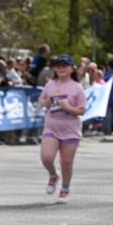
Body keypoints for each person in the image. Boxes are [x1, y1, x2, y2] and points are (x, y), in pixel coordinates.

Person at [39, 55, 87, 202]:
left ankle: (65, 188)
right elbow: (42, 98)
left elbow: (82, 110)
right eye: (58, 66)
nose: (60, 68)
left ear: (72, 69)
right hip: (51, 126)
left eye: (64, 66)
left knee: (66, 163)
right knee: (46, 158)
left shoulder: (77, 88)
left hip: (71, 129)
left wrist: (68, 107)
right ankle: (53, 175)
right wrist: (46, 102)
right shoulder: (51, 84)